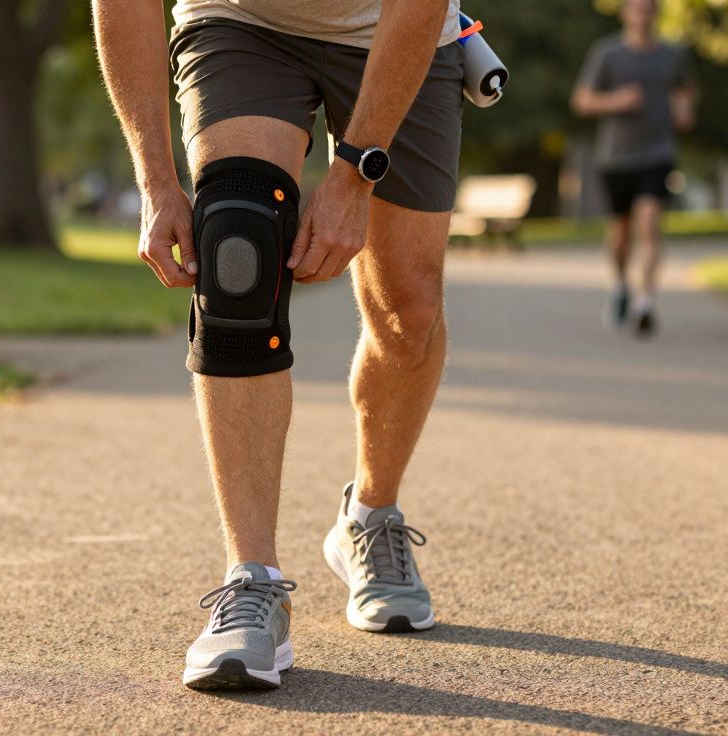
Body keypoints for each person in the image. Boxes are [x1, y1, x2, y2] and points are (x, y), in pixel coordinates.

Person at [94, 0, 466, 690]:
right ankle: (252, 579)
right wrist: (154, 178)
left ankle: (370, 517)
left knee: (407, 308)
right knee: (237, 252)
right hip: (240, 21)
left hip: (390, 30)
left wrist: (353, 175)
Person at [571, 0, 696, 338]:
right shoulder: (608, 54)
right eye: (636, 10)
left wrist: (684, 110)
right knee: (620, 234)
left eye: (648, 10)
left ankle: (646, 301)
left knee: (651, 224)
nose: (642, 17)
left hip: (658, 154)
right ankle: (621, 287)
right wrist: (617, 101)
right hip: (615, 157)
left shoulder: (672, 54)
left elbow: (684, 88)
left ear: (655, 14)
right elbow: (582, 100)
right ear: (626, 14)